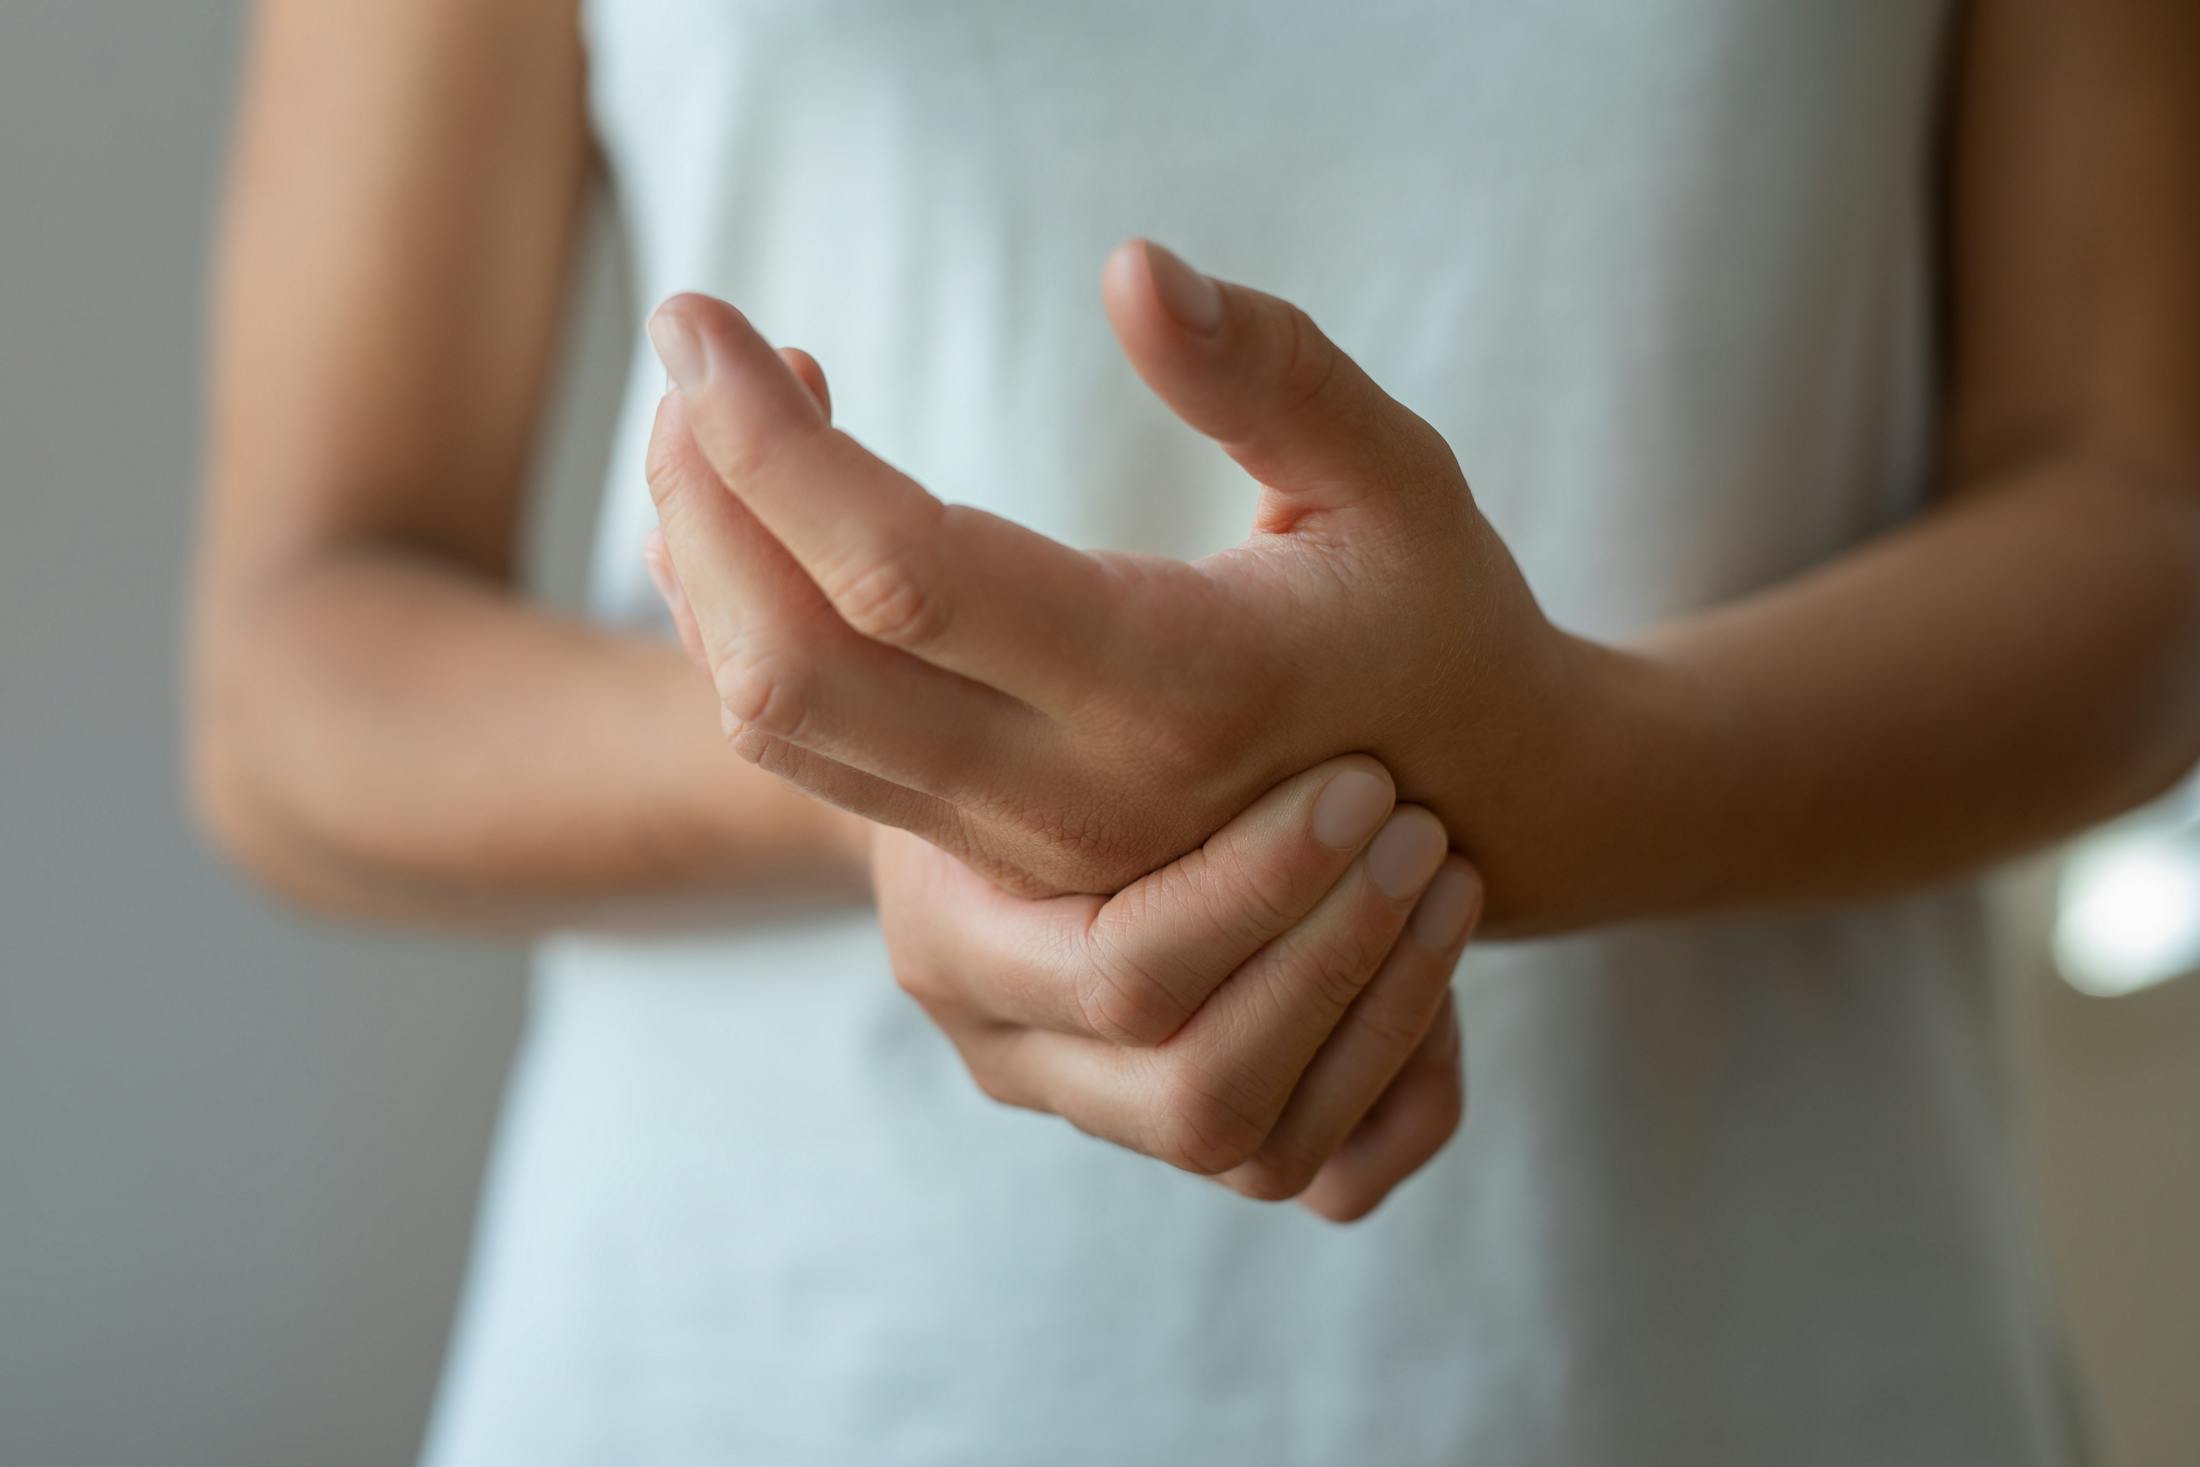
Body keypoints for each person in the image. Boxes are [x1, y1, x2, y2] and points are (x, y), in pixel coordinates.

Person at [189, 0, 2200, 1462]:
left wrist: (1580, 765)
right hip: (766, 1373)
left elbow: (2137, 516)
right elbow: (295, 666)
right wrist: (915, 773)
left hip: (1753, 1366)